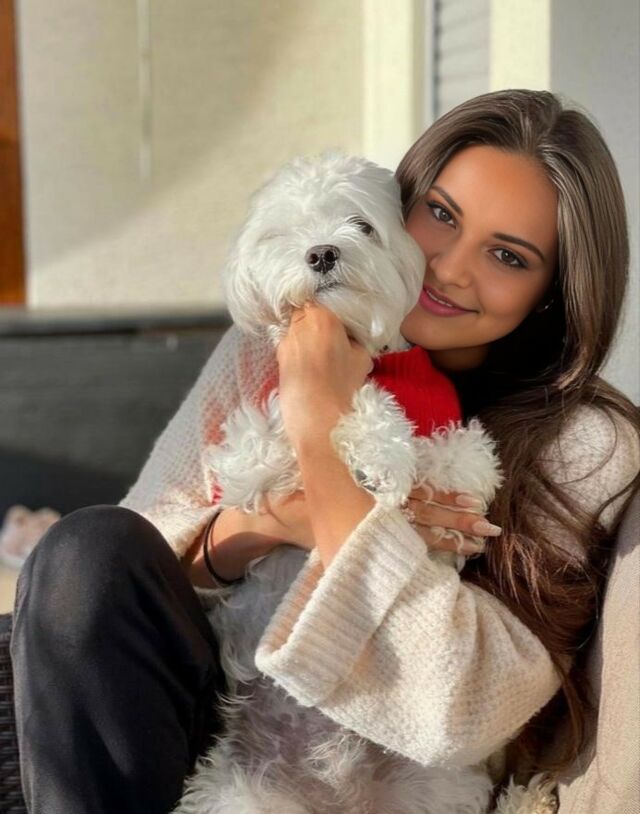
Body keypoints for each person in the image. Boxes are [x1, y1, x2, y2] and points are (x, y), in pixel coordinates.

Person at [10, 89, 639, 814]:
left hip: (400, 775)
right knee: (84, 548)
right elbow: (138, 566)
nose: (447, 268)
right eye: (440, 214)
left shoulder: (585, 443)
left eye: (507, 255)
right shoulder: (269, 343)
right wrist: (278, 518)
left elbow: (458, 710)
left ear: (553, 292)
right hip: (222, 732)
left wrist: (317, 421)